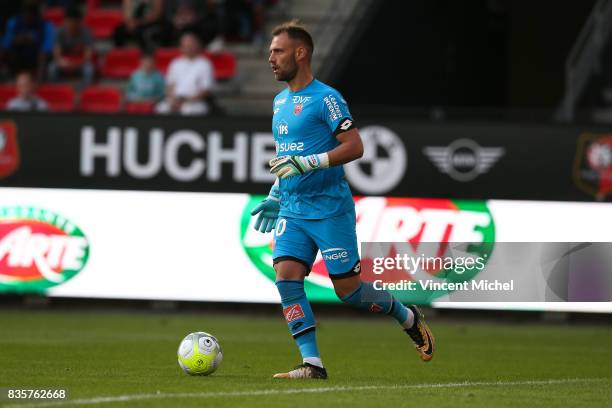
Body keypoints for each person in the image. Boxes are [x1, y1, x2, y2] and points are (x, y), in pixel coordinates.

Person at [250, 20, 435, 379]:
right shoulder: (279, 102)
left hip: (330, 208)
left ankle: (407, 316)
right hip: (293, 208)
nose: (270, 58)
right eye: (270, 51)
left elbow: (355, 146)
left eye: (278, 51)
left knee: (349, 291)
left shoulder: (327, 98)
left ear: (300, 53)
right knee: (286, 277)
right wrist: (276, 191)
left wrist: (308, 162)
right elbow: (287, 154)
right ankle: (312, 364)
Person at [155, 33, 214, 115]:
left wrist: (185, 101)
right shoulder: (175, 63)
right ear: (181, 47)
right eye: (185, 46)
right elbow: (169, 85)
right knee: (162, 108)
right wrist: (173, 100)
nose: (188, 49)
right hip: (175, 99)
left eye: (191, 46)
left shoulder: (204, 64)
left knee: (187, 110)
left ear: (197, 46)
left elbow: (206, 90)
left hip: (195, 102)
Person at [1, 0, 54, 79]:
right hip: (17, 57)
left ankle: (39, 79)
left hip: (36, 57)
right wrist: (17, 40)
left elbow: (47, 49)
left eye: (31, 15)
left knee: (44, 56)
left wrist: (32, 42)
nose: (28, 17)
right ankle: (8, 78)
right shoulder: (14, 22)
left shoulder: (45, 25)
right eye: (26, 14)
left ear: (36, 15)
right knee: (5, 52)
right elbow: (6, 44)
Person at [46, 6, 94, 88]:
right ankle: (57, 90)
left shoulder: (86, 33)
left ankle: (83, 93)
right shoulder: (59, 32)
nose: (71, 26)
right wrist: (62, 62)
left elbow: (88, 57)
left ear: (79, 22)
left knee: (89, 69)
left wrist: (75, 64)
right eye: (69, 22)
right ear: (65, 21)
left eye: (74, 23)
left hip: (79, 63)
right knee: (52, 68)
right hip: (64, 63)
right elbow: (56, 54)